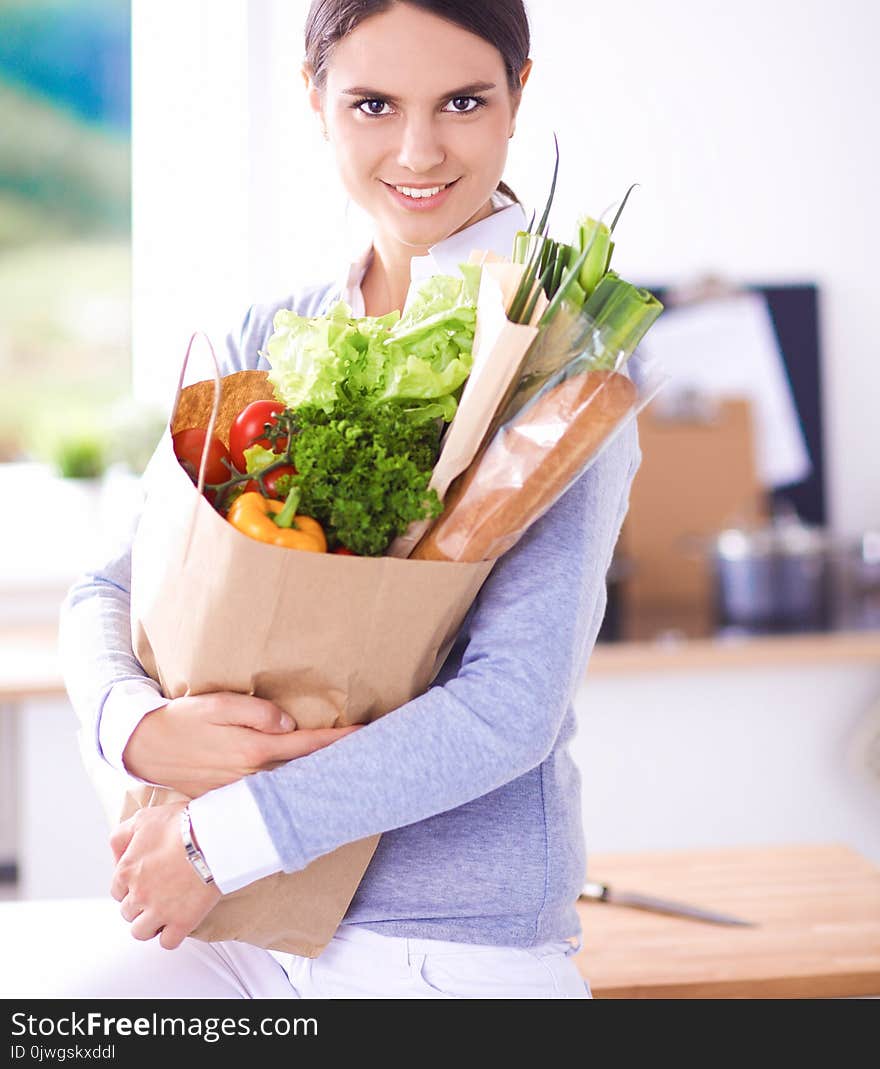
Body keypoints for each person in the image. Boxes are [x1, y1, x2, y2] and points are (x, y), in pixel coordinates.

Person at [53, 0, 641, 999]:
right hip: (232, 928)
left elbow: (511, 710)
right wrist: (134, 725)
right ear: (315, 99)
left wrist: (212, 838)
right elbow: (107, 586)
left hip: (440, 937)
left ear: (517, 97)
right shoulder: (268, 332)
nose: (418, 149)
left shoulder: (563, 357)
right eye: (372, 103)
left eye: (462, 99)